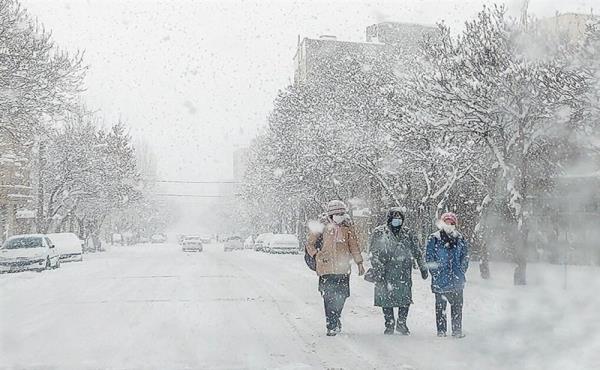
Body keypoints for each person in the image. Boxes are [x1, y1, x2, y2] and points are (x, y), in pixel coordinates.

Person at [306, 200, 365, 336]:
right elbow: (310, 244)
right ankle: (331, 324)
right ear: (331, 215)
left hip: (343, 269)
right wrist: (317, 255)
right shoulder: (322, 227)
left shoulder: (347, 228)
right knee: (328, 297)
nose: (340, 216)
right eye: (337, 213)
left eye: (342, 213)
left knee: (342, 296)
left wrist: (359, 263)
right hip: (326, 269)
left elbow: (354, 246)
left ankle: (336, 317)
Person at [369, 207, 428, 335]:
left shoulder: (408, 233)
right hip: (385, 271)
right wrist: (378, 266)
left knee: (405, 299)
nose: (398, 220)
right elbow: (373, 253)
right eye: (395, 218)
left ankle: (402, 323)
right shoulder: (379, 232)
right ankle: (389, 323)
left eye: (400, 218)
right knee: (386, 298)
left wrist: (423, 267)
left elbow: (417, 251)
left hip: (403, 272)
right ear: (389, 219)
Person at [426, 212, 469, 338]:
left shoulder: (460, 238)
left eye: (452, 223)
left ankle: (457, 330)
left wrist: (461, 270)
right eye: (447, 222)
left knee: (457, 307)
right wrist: (436, 273)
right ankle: (441, 331)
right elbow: (429, 257)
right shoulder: (434, 238)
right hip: (441, 279)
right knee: (440, 308)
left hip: (457, 280)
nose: (449, 225)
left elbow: (465, 256)